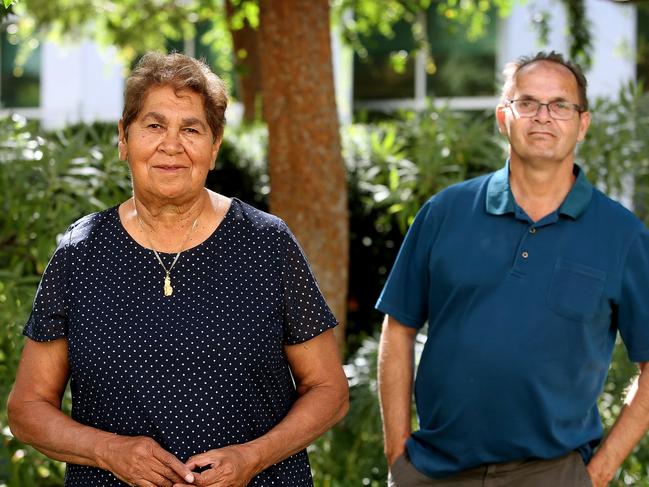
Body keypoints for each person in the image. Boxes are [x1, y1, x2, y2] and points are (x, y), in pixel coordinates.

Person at [7, 52, 349, 487]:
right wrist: (109, 451)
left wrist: (252, 457)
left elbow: (329, 390)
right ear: (124, 138)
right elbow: (27, 408)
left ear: (215, 145)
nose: (172, 145)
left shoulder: (266, 243)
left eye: (191, 129)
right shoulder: (81, 252)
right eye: (154, 126)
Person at [376, 51, 649, 487]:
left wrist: (597, 473)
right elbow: (400, 325)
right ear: (504, 117)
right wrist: (396, 453)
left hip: (552, 474)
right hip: (433, 471)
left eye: (560, 105)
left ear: (582, 123)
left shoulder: (622, 235)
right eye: (527, 103)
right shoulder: (445, 212)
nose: (543, 117)